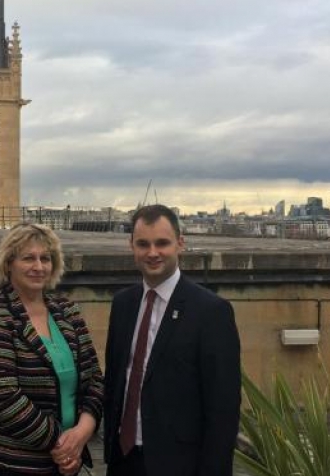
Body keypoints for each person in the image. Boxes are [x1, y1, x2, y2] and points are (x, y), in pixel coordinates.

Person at [103, 204, 242, 476]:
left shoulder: (211, 312)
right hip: (123, 460)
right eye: (143, 244)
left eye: (162, 243)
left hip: (180, 465)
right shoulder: (123, 304)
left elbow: (223, 411)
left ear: (180, 244)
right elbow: (115, 381)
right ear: (131, 246)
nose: (152, 253)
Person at [0, 223, 104, 475]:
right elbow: (4, 398)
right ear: (8, 264)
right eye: (28, 258)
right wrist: (62, 445)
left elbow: (94, 378)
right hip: (6, 463)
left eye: (45, 259)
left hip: (64, 459)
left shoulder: (67, 312)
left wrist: (83, 432)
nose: (39, 267)